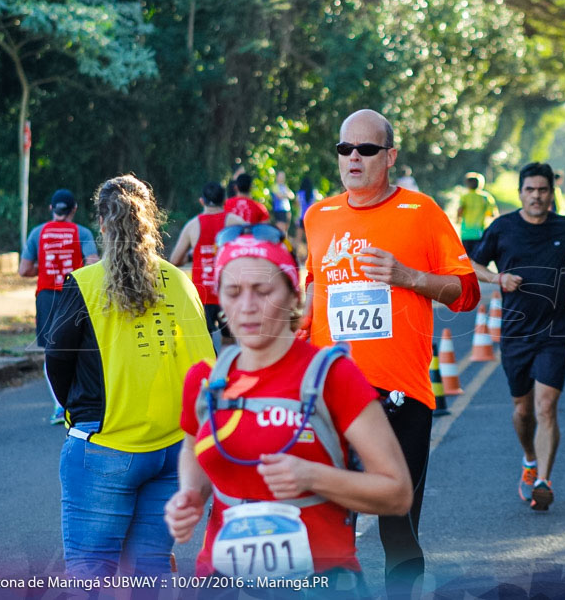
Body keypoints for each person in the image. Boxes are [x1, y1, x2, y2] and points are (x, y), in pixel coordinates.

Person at [164, 227, 413, 589]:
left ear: (293, 294)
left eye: (263, 291)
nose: (246, 306)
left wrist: (311, 477)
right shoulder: (205, 379)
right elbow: (192, 447)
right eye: (232, 292)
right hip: (221, 580)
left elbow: (397, 493)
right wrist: (189, 494)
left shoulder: (333, 376)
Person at [302, 109, 480, 595]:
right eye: (345, 149)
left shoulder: (422, 212)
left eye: (367, 149)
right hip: (330, 396)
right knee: (327, 529)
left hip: (401, 396)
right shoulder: (318, 216)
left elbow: (467, 294)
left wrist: (409, 278)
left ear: (391, 155)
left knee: (396, 528)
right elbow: (313, 294)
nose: (354, 158)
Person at [45, 175, 214, 577]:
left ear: (102, 223)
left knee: (89, 574)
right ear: (150, 222)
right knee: (148, 572)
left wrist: (81, 413)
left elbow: (57, 360)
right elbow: (204, 368)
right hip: (172, 451)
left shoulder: (85, 284)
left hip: (104, 443)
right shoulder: (179, 281)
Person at [469, 162, 565, 512]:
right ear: (521, 192)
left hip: (555, 331)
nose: (536, 196)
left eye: (543, 190)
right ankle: (529, 459)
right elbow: (471, 264)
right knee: (523, 411)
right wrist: (497, 279)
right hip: (516, 333)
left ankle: (543, 482)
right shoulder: (503, 228)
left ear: (552, 193)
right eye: (530, 190)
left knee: (546, 407)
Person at [19, 189, 99, 424]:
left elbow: (24, 270)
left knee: (51, 349)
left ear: (52, 209)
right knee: (79, 345)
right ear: (74, 209)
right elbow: (93, 263)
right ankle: (79, 401)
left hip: (46, 296)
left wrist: (44, 269)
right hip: (74, 294)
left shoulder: (38, 232)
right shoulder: (81, 232)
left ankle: (58, 406)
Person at [168, 182, 232, 347]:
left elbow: (174, 260)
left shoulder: (192, 225)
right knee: (230, 343)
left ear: (202, 201)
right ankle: (228, 370)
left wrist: (192, 255)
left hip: (202, 296)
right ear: (224, 200)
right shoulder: (234, 221)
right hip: (229, 294)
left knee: (206, 343)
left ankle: (210, 371)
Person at [456, 172, 497, 257]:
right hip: (480, 233)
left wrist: (457, 219)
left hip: (466, 233)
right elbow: (492, 214)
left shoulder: (465, 196)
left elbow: (460, 210)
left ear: (467, 184)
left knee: (468, 258)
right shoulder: (485, 197)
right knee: (478, 258)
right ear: (480, 184)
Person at [269, 170, 295, 235]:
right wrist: (287, 195)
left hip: (287, 209)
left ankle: (284, 243)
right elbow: (279, 196)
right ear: (277, 177)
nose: (282, 178)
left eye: (283, 176)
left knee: (286, 228)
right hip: (279, 210)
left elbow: (292, 195)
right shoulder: (275, 186)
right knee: (280, 228)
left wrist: (285, 195)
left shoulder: (285, 186)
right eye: (280, 176)